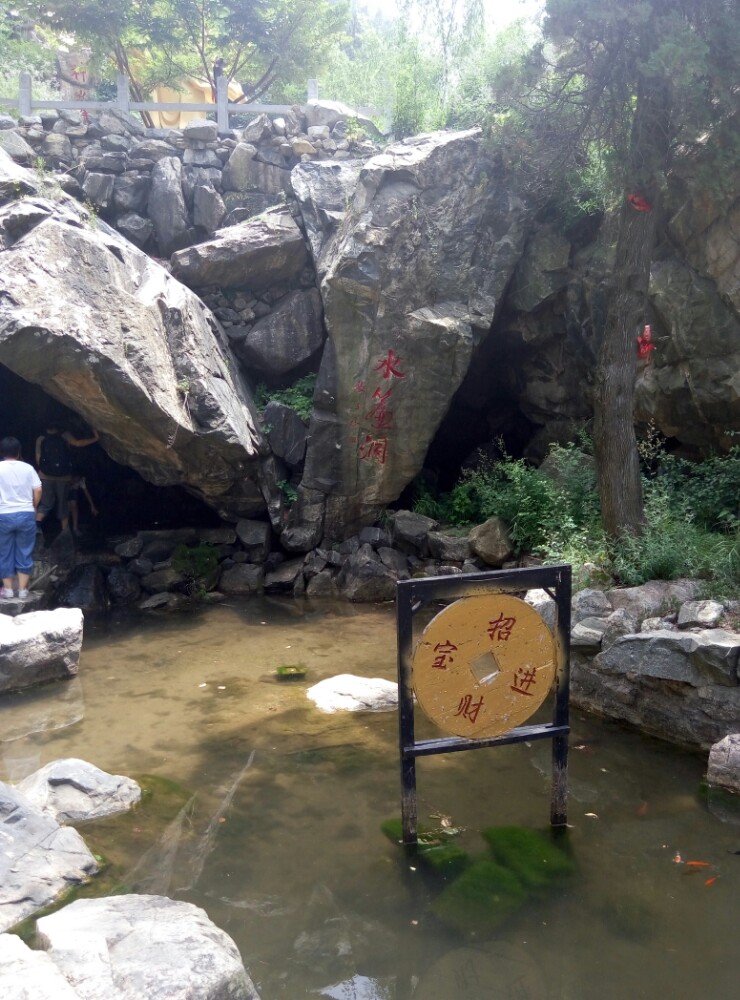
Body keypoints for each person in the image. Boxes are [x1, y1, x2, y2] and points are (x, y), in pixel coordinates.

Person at [35, 423, 99, 532]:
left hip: (45, 476)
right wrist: (95, 438)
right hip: (63, 476)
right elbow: (78, 443)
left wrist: (43, 472)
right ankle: (65, 533)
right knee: (63, 504)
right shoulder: (64, 434)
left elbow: (38, 458)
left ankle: (37, 528)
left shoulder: (41, 438)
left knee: (45, 504)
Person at [0, 436, 42, 599]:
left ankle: (8, 590)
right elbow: (38, 490)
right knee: (24, 551)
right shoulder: (28, 468)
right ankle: (23, 590)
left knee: (4, 552)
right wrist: (33, 506)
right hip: (25, 513)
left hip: (3, 515)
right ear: (19, 452)